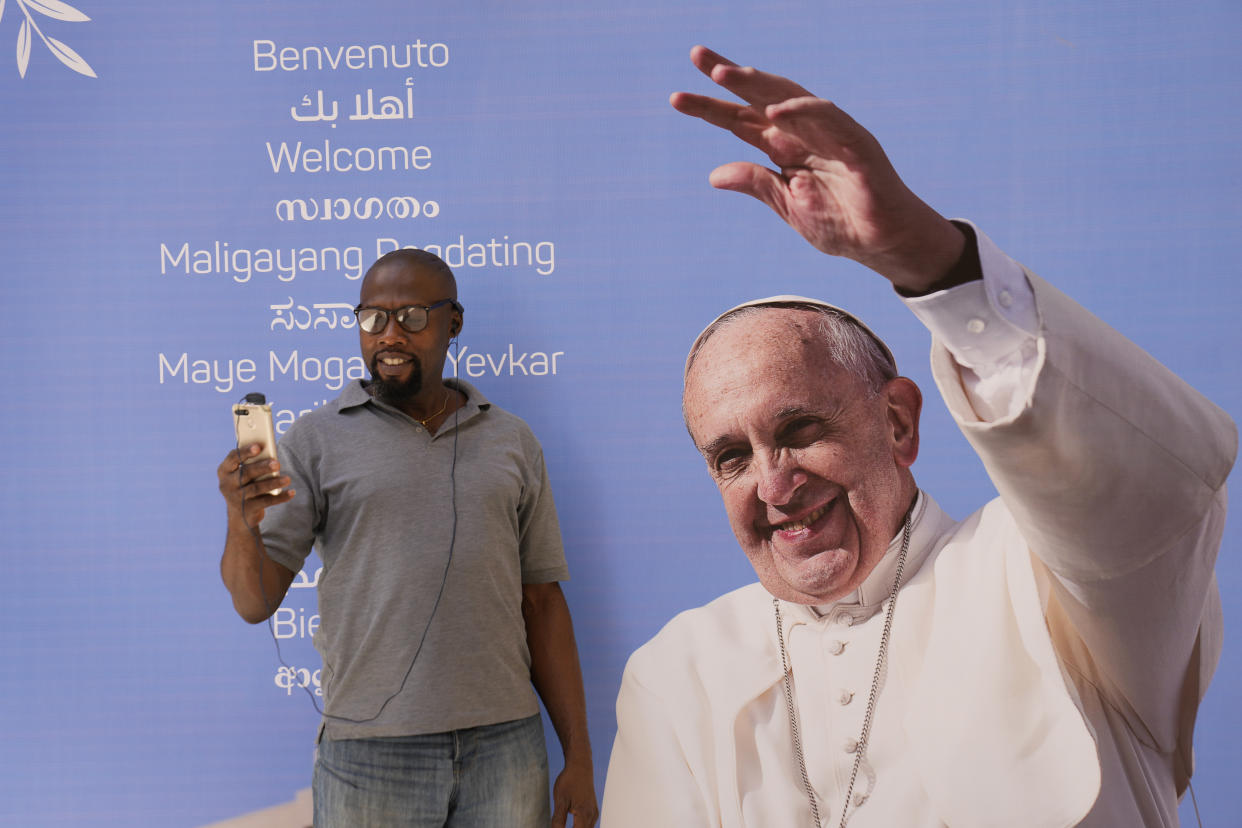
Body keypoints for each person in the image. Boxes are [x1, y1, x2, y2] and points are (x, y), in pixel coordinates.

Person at [601, 46, 1235, 827]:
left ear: (898, 420)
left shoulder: (1053, 580)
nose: (773, 485)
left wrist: (926, 259)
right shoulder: (677, 670)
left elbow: (1149, 492)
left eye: (800, 430)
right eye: (731, 457)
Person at [217, 249, 598, 828]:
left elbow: (542, 602)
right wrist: (239, 522)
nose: (390, 335)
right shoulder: (315, 440)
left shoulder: (512, 440)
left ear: (454, 323)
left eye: (413, 317)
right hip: (371, 758)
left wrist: (579, 755)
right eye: (373, 318)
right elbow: (253, 603)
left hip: (505, 749)